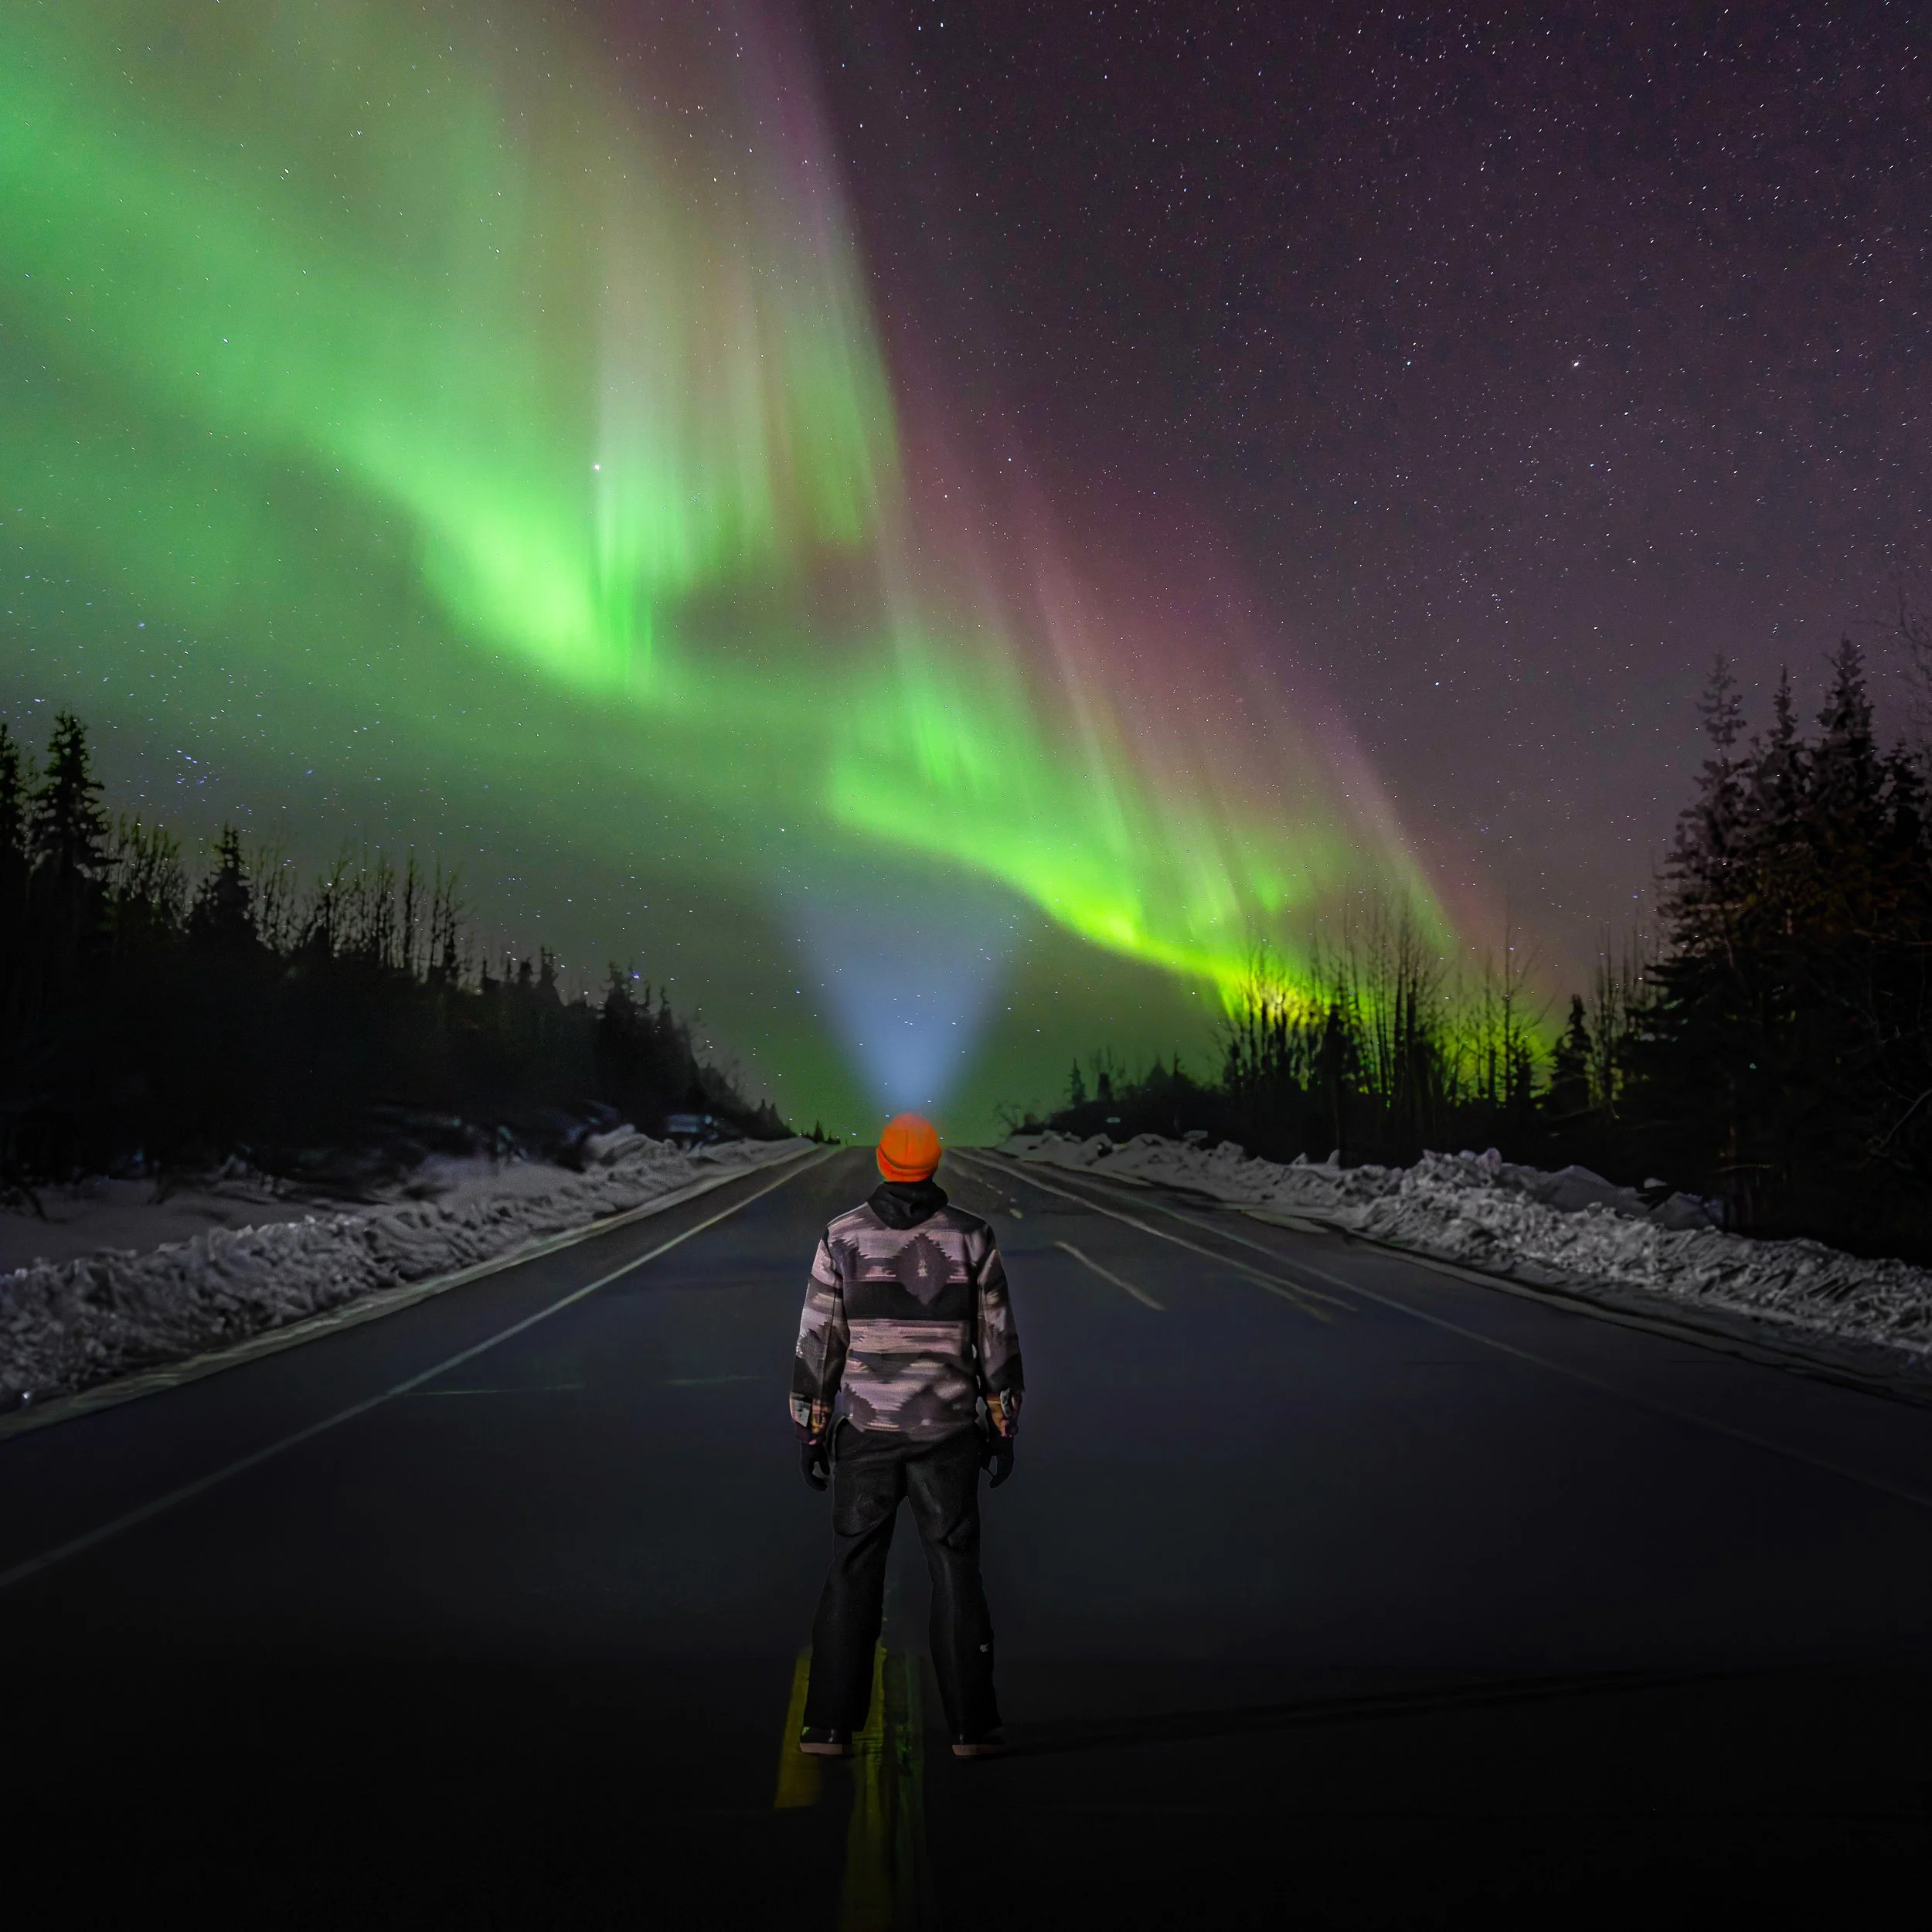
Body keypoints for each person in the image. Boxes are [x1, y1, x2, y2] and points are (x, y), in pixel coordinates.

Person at [791, 1111, 1023, 1760]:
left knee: (853, 1570)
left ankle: (829, 1727)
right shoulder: (974, 1238)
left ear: (885, 1163)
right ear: (934, 1164)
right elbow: (996, 1339)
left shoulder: (842, 1237)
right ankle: (973, 1728)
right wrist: (1002, 1426)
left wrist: (812, 1429)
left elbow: (820, 1341)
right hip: (947, 1432)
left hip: (867, 1429)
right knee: (955, 1572)